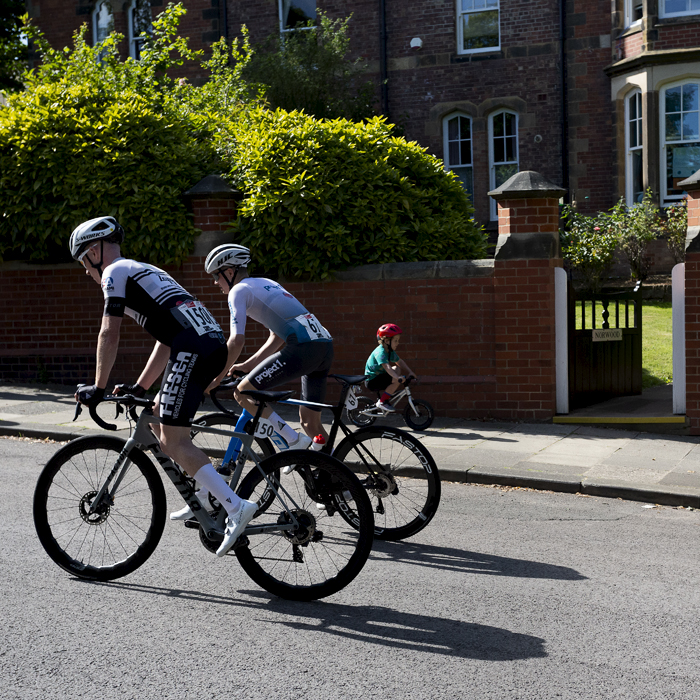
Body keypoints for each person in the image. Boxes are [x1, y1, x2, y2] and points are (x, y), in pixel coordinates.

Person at [70, 216, 257, 557]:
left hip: (194, 349)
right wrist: (142, 386)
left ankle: (235, 506)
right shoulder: (144, 270)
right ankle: (205, 494)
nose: (86, 270)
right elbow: (167, 339)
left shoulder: (114, 273)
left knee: (173, 438)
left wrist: (98, 387)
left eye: (84, 260)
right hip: (205, 345)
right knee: (157, 418)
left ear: (96, 250)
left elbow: (108, 333)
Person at [204, 243, 334, 450]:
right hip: (324, 347)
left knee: (243, 392)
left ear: (230, 271)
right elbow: (277, 336)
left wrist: (215, 378)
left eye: (216, 275)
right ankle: (333, 473)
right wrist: (247, 364)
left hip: (303, 348)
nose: (215, 282)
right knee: (310, 421)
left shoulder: (238, 291)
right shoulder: (267, 283)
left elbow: (236, 340)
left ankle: (293, 440)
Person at [364, 323, 416, 413]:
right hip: (372, 381)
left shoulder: (390, 351)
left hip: (380, 376)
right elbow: (386, 366)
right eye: (396, 340)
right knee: (396, 379)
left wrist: (410, 372)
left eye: (398, 340)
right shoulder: (380, 352)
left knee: (397, 368)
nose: (398, 343)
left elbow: (399, 361)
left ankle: (385, 398)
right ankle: (382, 402)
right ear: (387, 341)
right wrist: (397, 378)